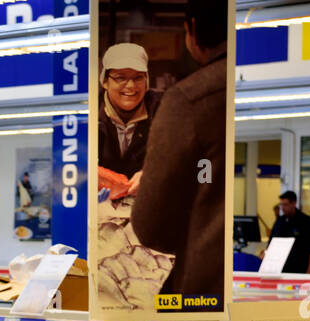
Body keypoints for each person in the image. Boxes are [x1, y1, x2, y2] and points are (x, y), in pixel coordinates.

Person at [129, 0, 228, 304]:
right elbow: (205, 170)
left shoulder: (189, 100)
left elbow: (150, 223)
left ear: (192, 30)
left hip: (201, 293)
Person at [97, 42, 162, 200]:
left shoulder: (165, 109)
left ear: (146, 80)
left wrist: (153, 173)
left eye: (138, 78)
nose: (131, 86)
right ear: (105, 81)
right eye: (121, 78)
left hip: (149, 206)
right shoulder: (88, 113)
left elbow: (190, 157)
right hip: (100, 211)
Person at [269, 190, 310, 274]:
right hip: (280, 270)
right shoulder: (279, 222)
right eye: (281, 205)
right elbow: (271, 244)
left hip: (300, 270)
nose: (283, 208)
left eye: (286, 205)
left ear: (294, 203)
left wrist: (309, 272)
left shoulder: (306, 222)